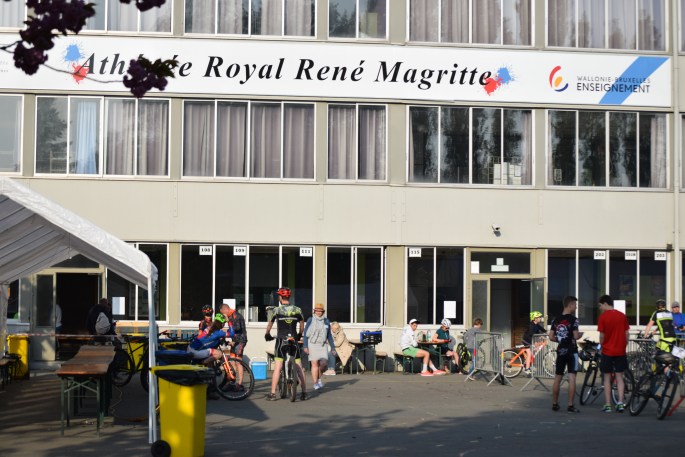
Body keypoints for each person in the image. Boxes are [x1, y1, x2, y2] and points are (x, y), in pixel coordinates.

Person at [264, 287, 308, 401]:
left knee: (278, 367)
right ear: (289, 297)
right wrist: (299, 334)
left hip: (281, 339)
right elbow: (302, 325)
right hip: (293, 339)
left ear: (280, 297)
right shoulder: (297, 310)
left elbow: (270, 324)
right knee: (299, 367)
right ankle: (304, 392)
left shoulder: (276, 310)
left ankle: (273, 394)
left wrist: (267, 334)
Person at [549, 295, 583, 413]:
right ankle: (570, 405)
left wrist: (560, 340)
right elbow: (575, 336)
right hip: (572, 351)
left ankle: (554, 404)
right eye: (575, 305)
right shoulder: (574, 320)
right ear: (570, 305)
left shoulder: (556, 320)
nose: (576, 307)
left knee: (558, 377)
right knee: (572, 377)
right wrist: (580, 335)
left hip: (561, 351)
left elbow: (551, 337)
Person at [597, 294, 630, 413]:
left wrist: (601, 345)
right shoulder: (622, 316)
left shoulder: (603, 317)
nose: (600, 308)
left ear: (605, 304)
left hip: (607, 351)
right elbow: (627, 333)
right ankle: (620, 403)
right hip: (620, 351)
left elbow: (602, 335)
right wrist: (624, 344)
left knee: (607, 378)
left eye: (600, 305)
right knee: (619, 377)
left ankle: (608, 404)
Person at [303, 303, 336, 390]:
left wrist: (333, 348)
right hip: (312, 343)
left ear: (323, 312)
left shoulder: (326, 321)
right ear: (314, 311)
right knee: (314, 364)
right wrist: (305, 346)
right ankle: (315, 383)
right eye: (317, 311)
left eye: (320, 311)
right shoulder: (310, 320)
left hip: (322, 344)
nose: (318, 312)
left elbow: (329, 336)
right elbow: (305, 333)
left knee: (323, 364)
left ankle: (318, 378)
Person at [220, 301, 248, 390]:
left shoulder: (236, 315)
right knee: (232, 362)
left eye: (223, 313)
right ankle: (232, 382)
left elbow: (236, 328)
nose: (223, 316)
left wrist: (227, 324)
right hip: (234, 341)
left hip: (241, 341)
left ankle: (239, 384)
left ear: (225, 310)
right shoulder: (229, 316)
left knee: (238, 362)